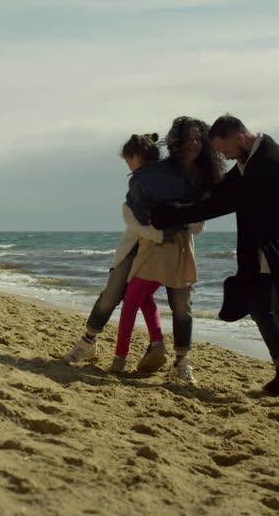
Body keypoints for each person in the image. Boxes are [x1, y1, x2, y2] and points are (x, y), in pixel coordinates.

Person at [152, 115, 279, 399]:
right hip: (264, 249)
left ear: (241, 138)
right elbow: (220, 191)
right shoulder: (249, 161)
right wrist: (177, 205)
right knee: (259, 308)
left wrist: (177, 213)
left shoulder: (271, 160)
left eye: (226, 150)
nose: (224, 156)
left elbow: (227, 201)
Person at [63, 119, 219, 382]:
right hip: (139, 244)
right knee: (112, 295)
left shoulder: (201, 176)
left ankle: (181, 362)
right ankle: (88, 343)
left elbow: (201, 221)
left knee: (182, 305)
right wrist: (158, 231)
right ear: (177, 141)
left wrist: (182, 222)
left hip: (177, 248)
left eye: (199, 138)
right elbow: (134, 215)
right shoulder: (155, 174)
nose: (195, 143)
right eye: (190, 138)